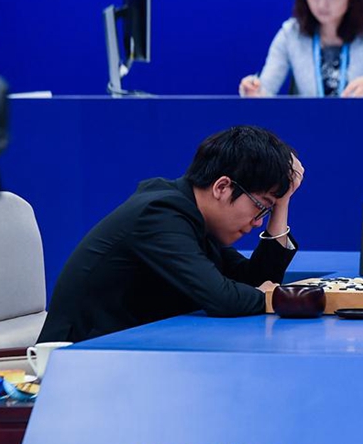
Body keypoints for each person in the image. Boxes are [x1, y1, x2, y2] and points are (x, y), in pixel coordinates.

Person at [37, 126, 304, 343]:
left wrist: (282, 202)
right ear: (222, 187)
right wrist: (272, 297)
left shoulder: (193, 217)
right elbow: (222, 298)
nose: (258, 222)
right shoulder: (160, 215)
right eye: (260, 206)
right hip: (78, 361)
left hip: (125, 354)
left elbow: (255, 281)